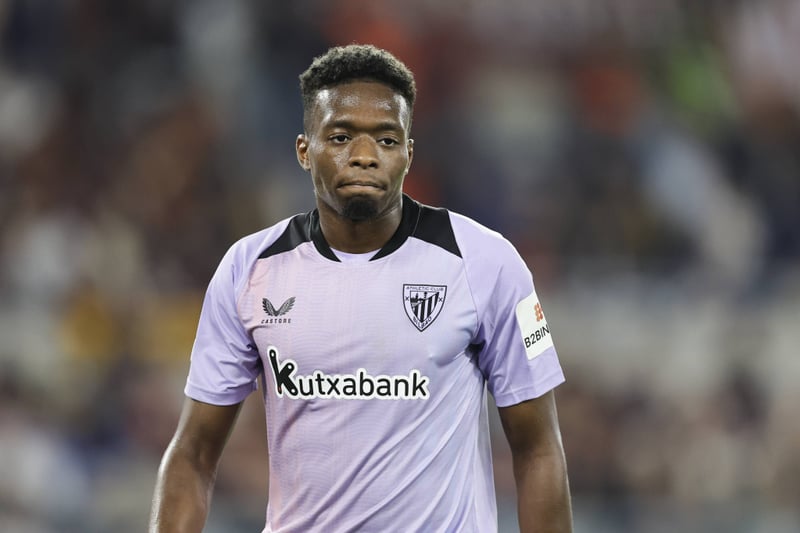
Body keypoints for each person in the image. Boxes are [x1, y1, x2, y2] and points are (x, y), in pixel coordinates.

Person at [150, 44, 572, 533]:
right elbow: (193, 454)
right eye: (341, 137)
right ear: (304, 151)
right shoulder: (248, 269)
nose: (365, 156)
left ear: (409, 153)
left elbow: (539, 449)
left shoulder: (488, 263)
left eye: (387, 140)